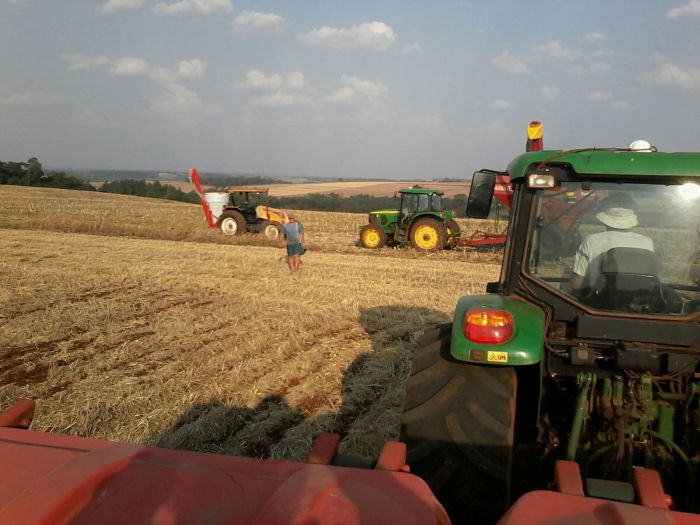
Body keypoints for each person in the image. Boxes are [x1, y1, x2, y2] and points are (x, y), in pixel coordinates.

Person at [570, 193, 654, 291]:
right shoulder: (647, 242)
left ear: (603, 217)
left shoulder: (591, 240)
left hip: (600, 300)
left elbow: (576, 284)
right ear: (634, 215)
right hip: (637, 300)